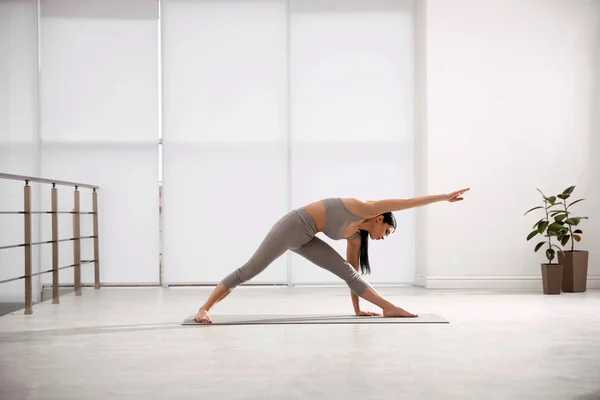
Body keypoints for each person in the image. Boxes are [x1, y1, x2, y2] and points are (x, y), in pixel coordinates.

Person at [194, 188, 470, 323]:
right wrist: (444, 197)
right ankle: (204, 308)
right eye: (387, 231)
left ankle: (388, 307)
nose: (385, 237)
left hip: (306, 239)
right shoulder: (364, 207)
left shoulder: (355, 237)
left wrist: (357, 309)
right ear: (378, 218)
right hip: (293, 226)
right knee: (250, 271)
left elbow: (351, 273)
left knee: (348, 272)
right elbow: (408, 203)